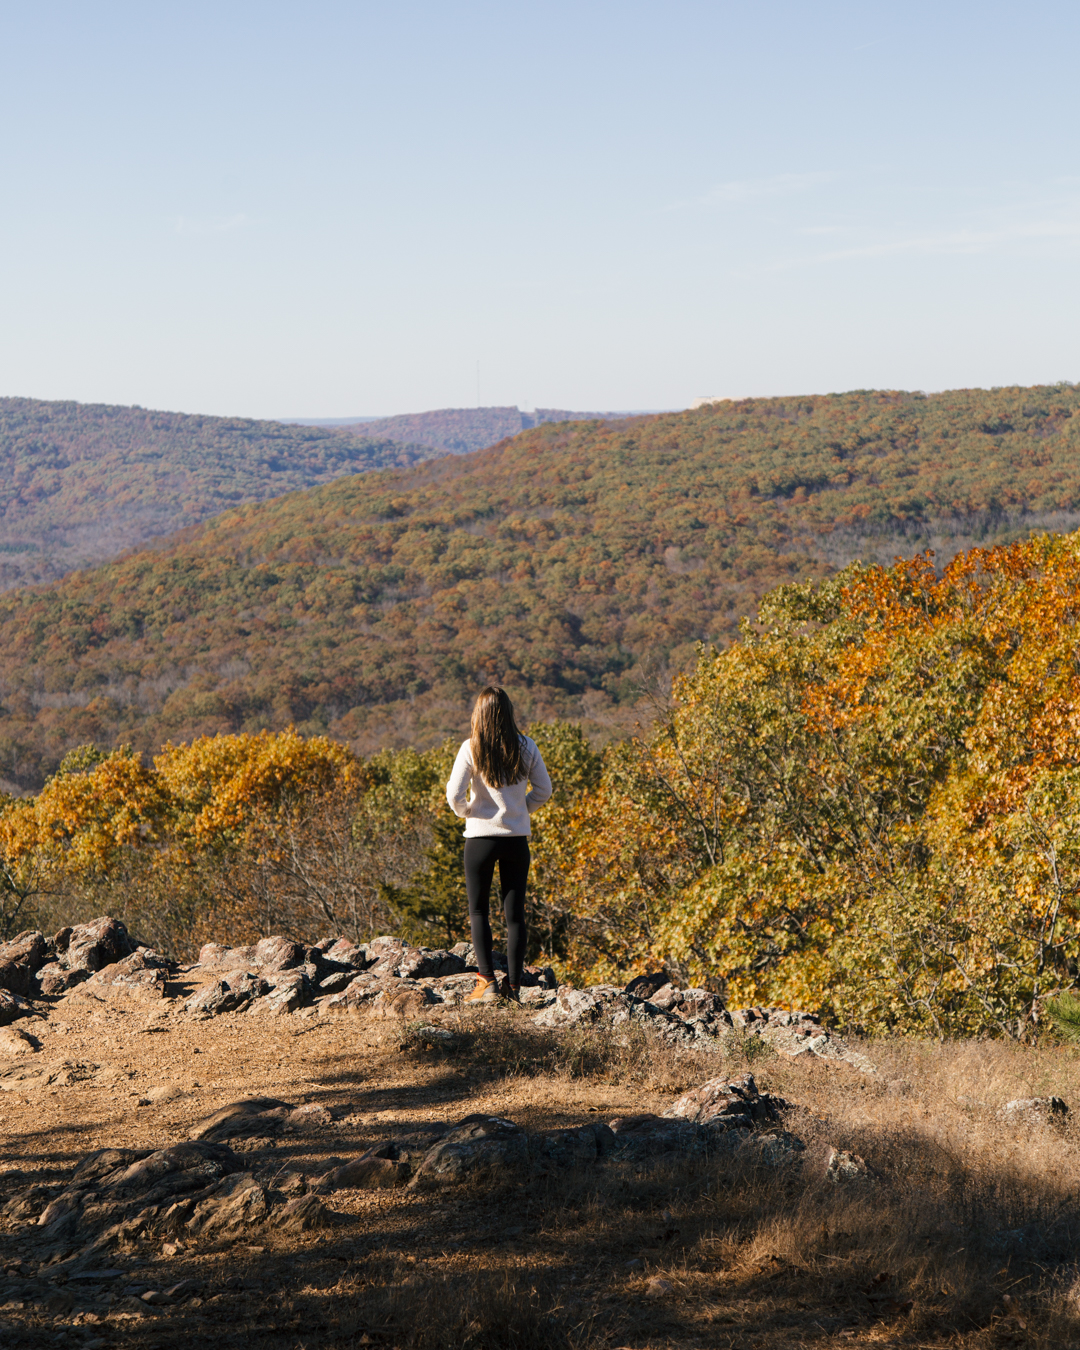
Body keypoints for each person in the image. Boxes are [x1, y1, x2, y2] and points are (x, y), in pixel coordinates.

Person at [445, 686, 552, 1003]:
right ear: (508, 712)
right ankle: (515, 988)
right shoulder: (526, 746)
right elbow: (544, 790)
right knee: (515, 914)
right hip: (516, 839)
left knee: (478, 912)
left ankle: (487, 983)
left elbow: (454, 795)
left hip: (480, 839)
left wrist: (470, 813)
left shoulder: (471, 748)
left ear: (479, 714)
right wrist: (520, 812)